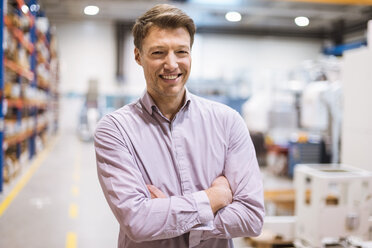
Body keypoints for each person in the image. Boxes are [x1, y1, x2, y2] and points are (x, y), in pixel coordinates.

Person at [94, 4, 264, 248]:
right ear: (138, 56)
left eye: (181, 52)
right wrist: (214, 198)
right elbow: (137, 222)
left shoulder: (228, 122)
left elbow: (251, 217)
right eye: (158, 53)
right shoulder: (115, 130)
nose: (172, 64)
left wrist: (169, 215)